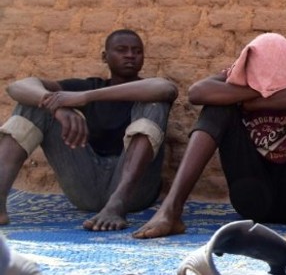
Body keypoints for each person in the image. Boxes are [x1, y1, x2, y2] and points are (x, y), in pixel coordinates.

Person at [133, 33, 286, 243]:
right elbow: (197, 93)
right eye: (259, 73)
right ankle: (171, 208)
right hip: (252, 198)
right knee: (217, 107)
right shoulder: (239, 74)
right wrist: (258, 90)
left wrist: (255, 103)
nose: (265, 79)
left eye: (273, 73)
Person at [0, 29, 177, 231]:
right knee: (34, 104)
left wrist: (85, 97)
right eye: (121, 50)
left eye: (136, 51)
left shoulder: (142, 88)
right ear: (105, 57)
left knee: (155, 104)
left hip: (133, 193)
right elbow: (17, 87)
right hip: (85, 182)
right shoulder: (88, 84)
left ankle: (116, 204)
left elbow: (166, 89)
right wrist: (57, 108)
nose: (130, 55)